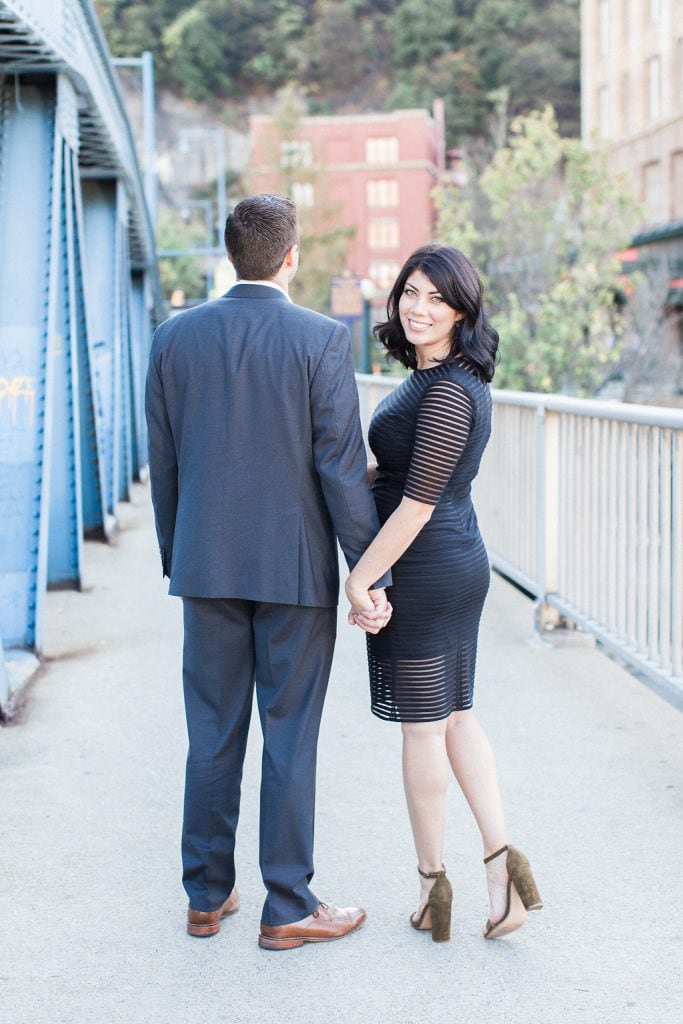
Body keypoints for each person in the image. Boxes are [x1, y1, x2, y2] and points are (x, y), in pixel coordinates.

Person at [145, 194, 391, 951]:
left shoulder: (173, 338)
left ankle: (204, 896)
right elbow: (341, 470)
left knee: (211, 733)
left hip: (206, 565)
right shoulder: (320, 339)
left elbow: (165, 462)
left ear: (229, 255)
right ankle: (286, 904)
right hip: (293, 571)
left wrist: (177, 554)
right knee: (288, 735)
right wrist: (368, 575)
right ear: (291, 255)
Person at [346, 244, 542, 942]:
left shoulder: (450, 392)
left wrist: (360, 576)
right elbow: (395, 477)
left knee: (424, 728)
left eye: (435, 297)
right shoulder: (433, 378)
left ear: (462, 309)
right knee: (456, 717)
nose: (418, 307)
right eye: (410, 292)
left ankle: (435, 888)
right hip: (450, 559)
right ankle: (502, 873)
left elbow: (416, 505)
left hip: (430, 565)